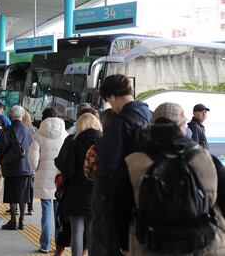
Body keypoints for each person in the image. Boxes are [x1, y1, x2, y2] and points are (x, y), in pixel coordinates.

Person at [114, 103, 225, 255]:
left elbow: (120, 209)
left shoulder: (133, 161)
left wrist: (124, 245)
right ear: (182, 126)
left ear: (153, 126)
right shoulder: (208, 160)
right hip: (200, 245)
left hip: (150, 246)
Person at [90, 74, 152, 255]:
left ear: (111, 97)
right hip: (144, 193)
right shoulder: (149, 114)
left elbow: (109, 168)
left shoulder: (119, 123)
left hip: (120, 197)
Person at [59, 113, 102, 256]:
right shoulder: (103, 142)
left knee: (76, 231)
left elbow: (68, 170)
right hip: (96, 193)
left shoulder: (74, 142)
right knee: (92, 231)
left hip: (76, 192)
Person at [28, 107, 68, 253]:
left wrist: (37, 168)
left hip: (44, 178)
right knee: (59, 213)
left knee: (46, 212)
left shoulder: (38, 134)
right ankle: (59, 244)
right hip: (59, 179)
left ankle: (44, 245)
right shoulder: (65, 134)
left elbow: (33, 158)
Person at [0, 105, 33, 230]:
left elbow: (1, 150)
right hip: (26, 167)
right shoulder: (29, 130)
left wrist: (1, 162)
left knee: (12, 194)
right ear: (22, 116)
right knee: (23, 195)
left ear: (10, 116)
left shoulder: (6, 131)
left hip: (12, 168)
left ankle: (13, 221)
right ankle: (22, 221)